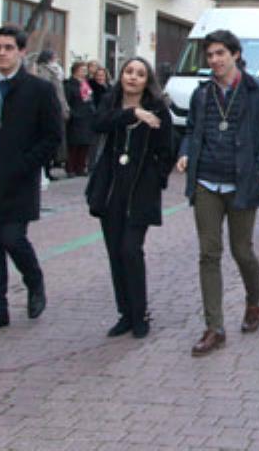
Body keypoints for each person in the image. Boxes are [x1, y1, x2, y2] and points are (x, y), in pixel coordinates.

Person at [176, 29, 259, 357]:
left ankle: (254, 301)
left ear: (235, 55)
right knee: (209, 254)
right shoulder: (202, 94)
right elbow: (192, 130)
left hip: (243, 183)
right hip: (207, 182)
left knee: (242, 251)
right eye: (209, 55)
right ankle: (214, 327)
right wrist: (186, 152)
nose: (214, 60)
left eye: (220, 54)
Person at [0, 25, 63, 335]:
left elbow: (53, 136)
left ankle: (34, 280)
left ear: (20, 51)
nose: (1, 53)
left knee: (12, 238)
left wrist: (27, 164)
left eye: (7, 47)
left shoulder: (38, 90)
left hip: (17, 179)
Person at [85, 57, 174, 339]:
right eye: (128, 72)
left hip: (140, 189)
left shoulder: (158, 108)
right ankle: (125, 312)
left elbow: (168, 148)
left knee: (130, 250)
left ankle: (140, 312)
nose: (133, 78)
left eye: (140, 74)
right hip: (111, 188)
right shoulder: (110, 103)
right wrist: (132, 113)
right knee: (115, 252)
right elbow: (97, 124)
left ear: (148, 81)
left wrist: (157, 177)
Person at [30, 50, 70, 182]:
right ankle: (45, 171)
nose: (57, 59)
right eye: (54, 57)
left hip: (57, 107)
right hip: (48, 109)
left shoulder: (56, 71)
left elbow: (60, 92)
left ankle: (48, 169)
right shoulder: (43, 71)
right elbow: (47, 91)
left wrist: (64, 108)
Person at [64, 62, 96, 177]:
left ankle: (81, 167)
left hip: (87, 117)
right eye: (82, 69)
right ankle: (71, 168)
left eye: (85, 69)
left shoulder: (85, 84)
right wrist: (72, 114)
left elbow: (90, 98)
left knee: (85, 144)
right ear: (75, 71)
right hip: (76, 117)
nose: (85, 72)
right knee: (74, 144)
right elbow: (67, 100)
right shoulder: (70, 85)